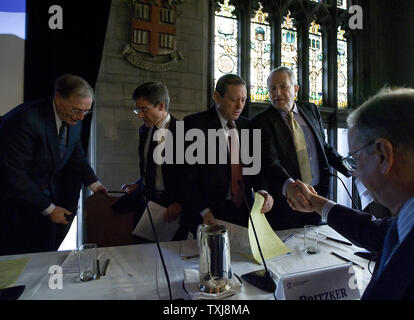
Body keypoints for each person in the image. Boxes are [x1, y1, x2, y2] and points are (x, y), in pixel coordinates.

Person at [289, 87, 414, 299]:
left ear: (383, 155)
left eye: (355, 160)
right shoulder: (404, 222)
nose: (355, 173)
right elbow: (373, 232)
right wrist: (315, 202)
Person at [0, 74, 107, 255]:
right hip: (15, 207)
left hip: (45, 200)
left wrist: (95, 184)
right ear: (58, 98)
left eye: (86, 111)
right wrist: (48, 208)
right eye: (76, 110)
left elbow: (76, 154)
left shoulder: (74, 119)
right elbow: (13, 174)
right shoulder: (25, 120)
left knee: (43, 257)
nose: (81, 117)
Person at [251, 66, 350, 230]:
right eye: (273, 88)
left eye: (283, 86)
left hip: (318, 195)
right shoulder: (261, 122)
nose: (277, 93)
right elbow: (270, 162)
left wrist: (349, 168)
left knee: (315, 246)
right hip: (287, 202)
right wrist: (291, 188)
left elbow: (323, 147)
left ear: (295, 89)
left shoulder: (311, 110)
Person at [182, 74, 273, 234]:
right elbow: (188, 177)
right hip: (210, 213)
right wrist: (203, 210)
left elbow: (255, 168)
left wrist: (262, 191)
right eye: (233, 100)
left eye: (243, 100)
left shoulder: (247, 125)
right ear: (217, 97)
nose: (239, 106)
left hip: (244, 210)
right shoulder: (195, 125)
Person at [112, 81, 188, 241]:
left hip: (172, 208)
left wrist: (181, 202)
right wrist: (141, 183)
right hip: (146, 202)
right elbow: (152, 167)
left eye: (144, 109)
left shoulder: (183, 132)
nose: (140, 115)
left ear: (161, 106)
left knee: (171, 259)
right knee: (140, 254)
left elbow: (192, 175)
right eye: (137, 109)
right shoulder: (144, 130)